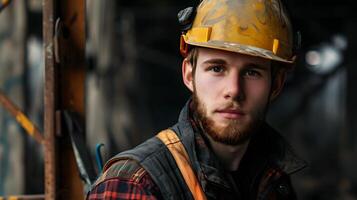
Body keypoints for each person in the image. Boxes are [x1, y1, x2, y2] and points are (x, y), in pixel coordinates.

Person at [87, 0, 306, 199]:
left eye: (252, 72)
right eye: (217, 68)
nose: (233, 90)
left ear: (276, 85)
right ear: (189, 75)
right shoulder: (133, 184)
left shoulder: (273, 182)